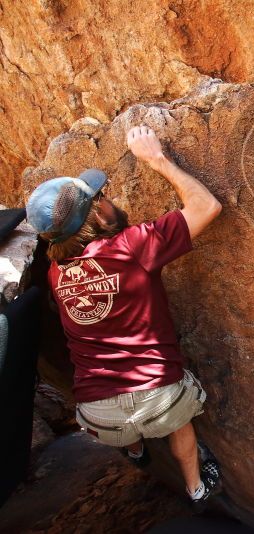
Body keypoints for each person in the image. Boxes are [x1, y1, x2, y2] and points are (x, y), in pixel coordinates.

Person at [25, 125, 223, 509]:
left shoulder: (55, 272)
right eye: (101, 199)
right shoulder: (131, 247)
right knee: (179, 421)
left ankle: (134, 450)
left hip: (96, 415)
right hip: (159, 398)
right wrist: (156, 159)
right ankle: (196, 487)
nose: (108, 201)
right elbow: (206, 208)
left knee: (121, 420)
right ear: (97, 217)